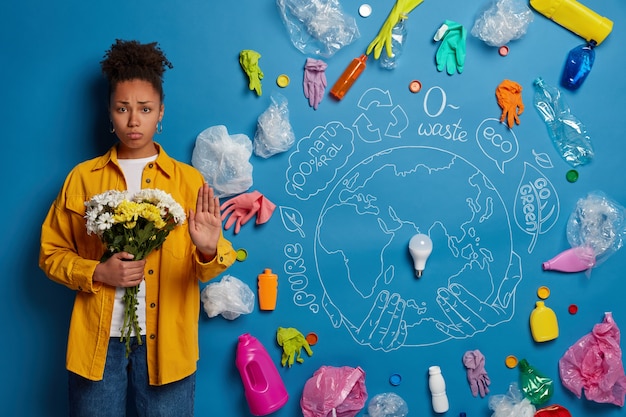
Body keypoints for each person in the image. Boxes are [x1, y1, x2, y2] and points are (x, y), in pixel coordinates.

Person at [39, 39, 237, 417]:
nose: (134, 120)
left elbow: (207, 264)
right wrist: (98, 271)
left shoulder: (187, 181)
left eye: (145, 109)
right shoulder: (82, 179)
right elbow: (50, 253)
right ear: (109, 113)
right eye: (122, 108)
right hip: (98, 343)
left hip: (167, 344)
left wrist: (209, 249)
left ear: (160, 113)